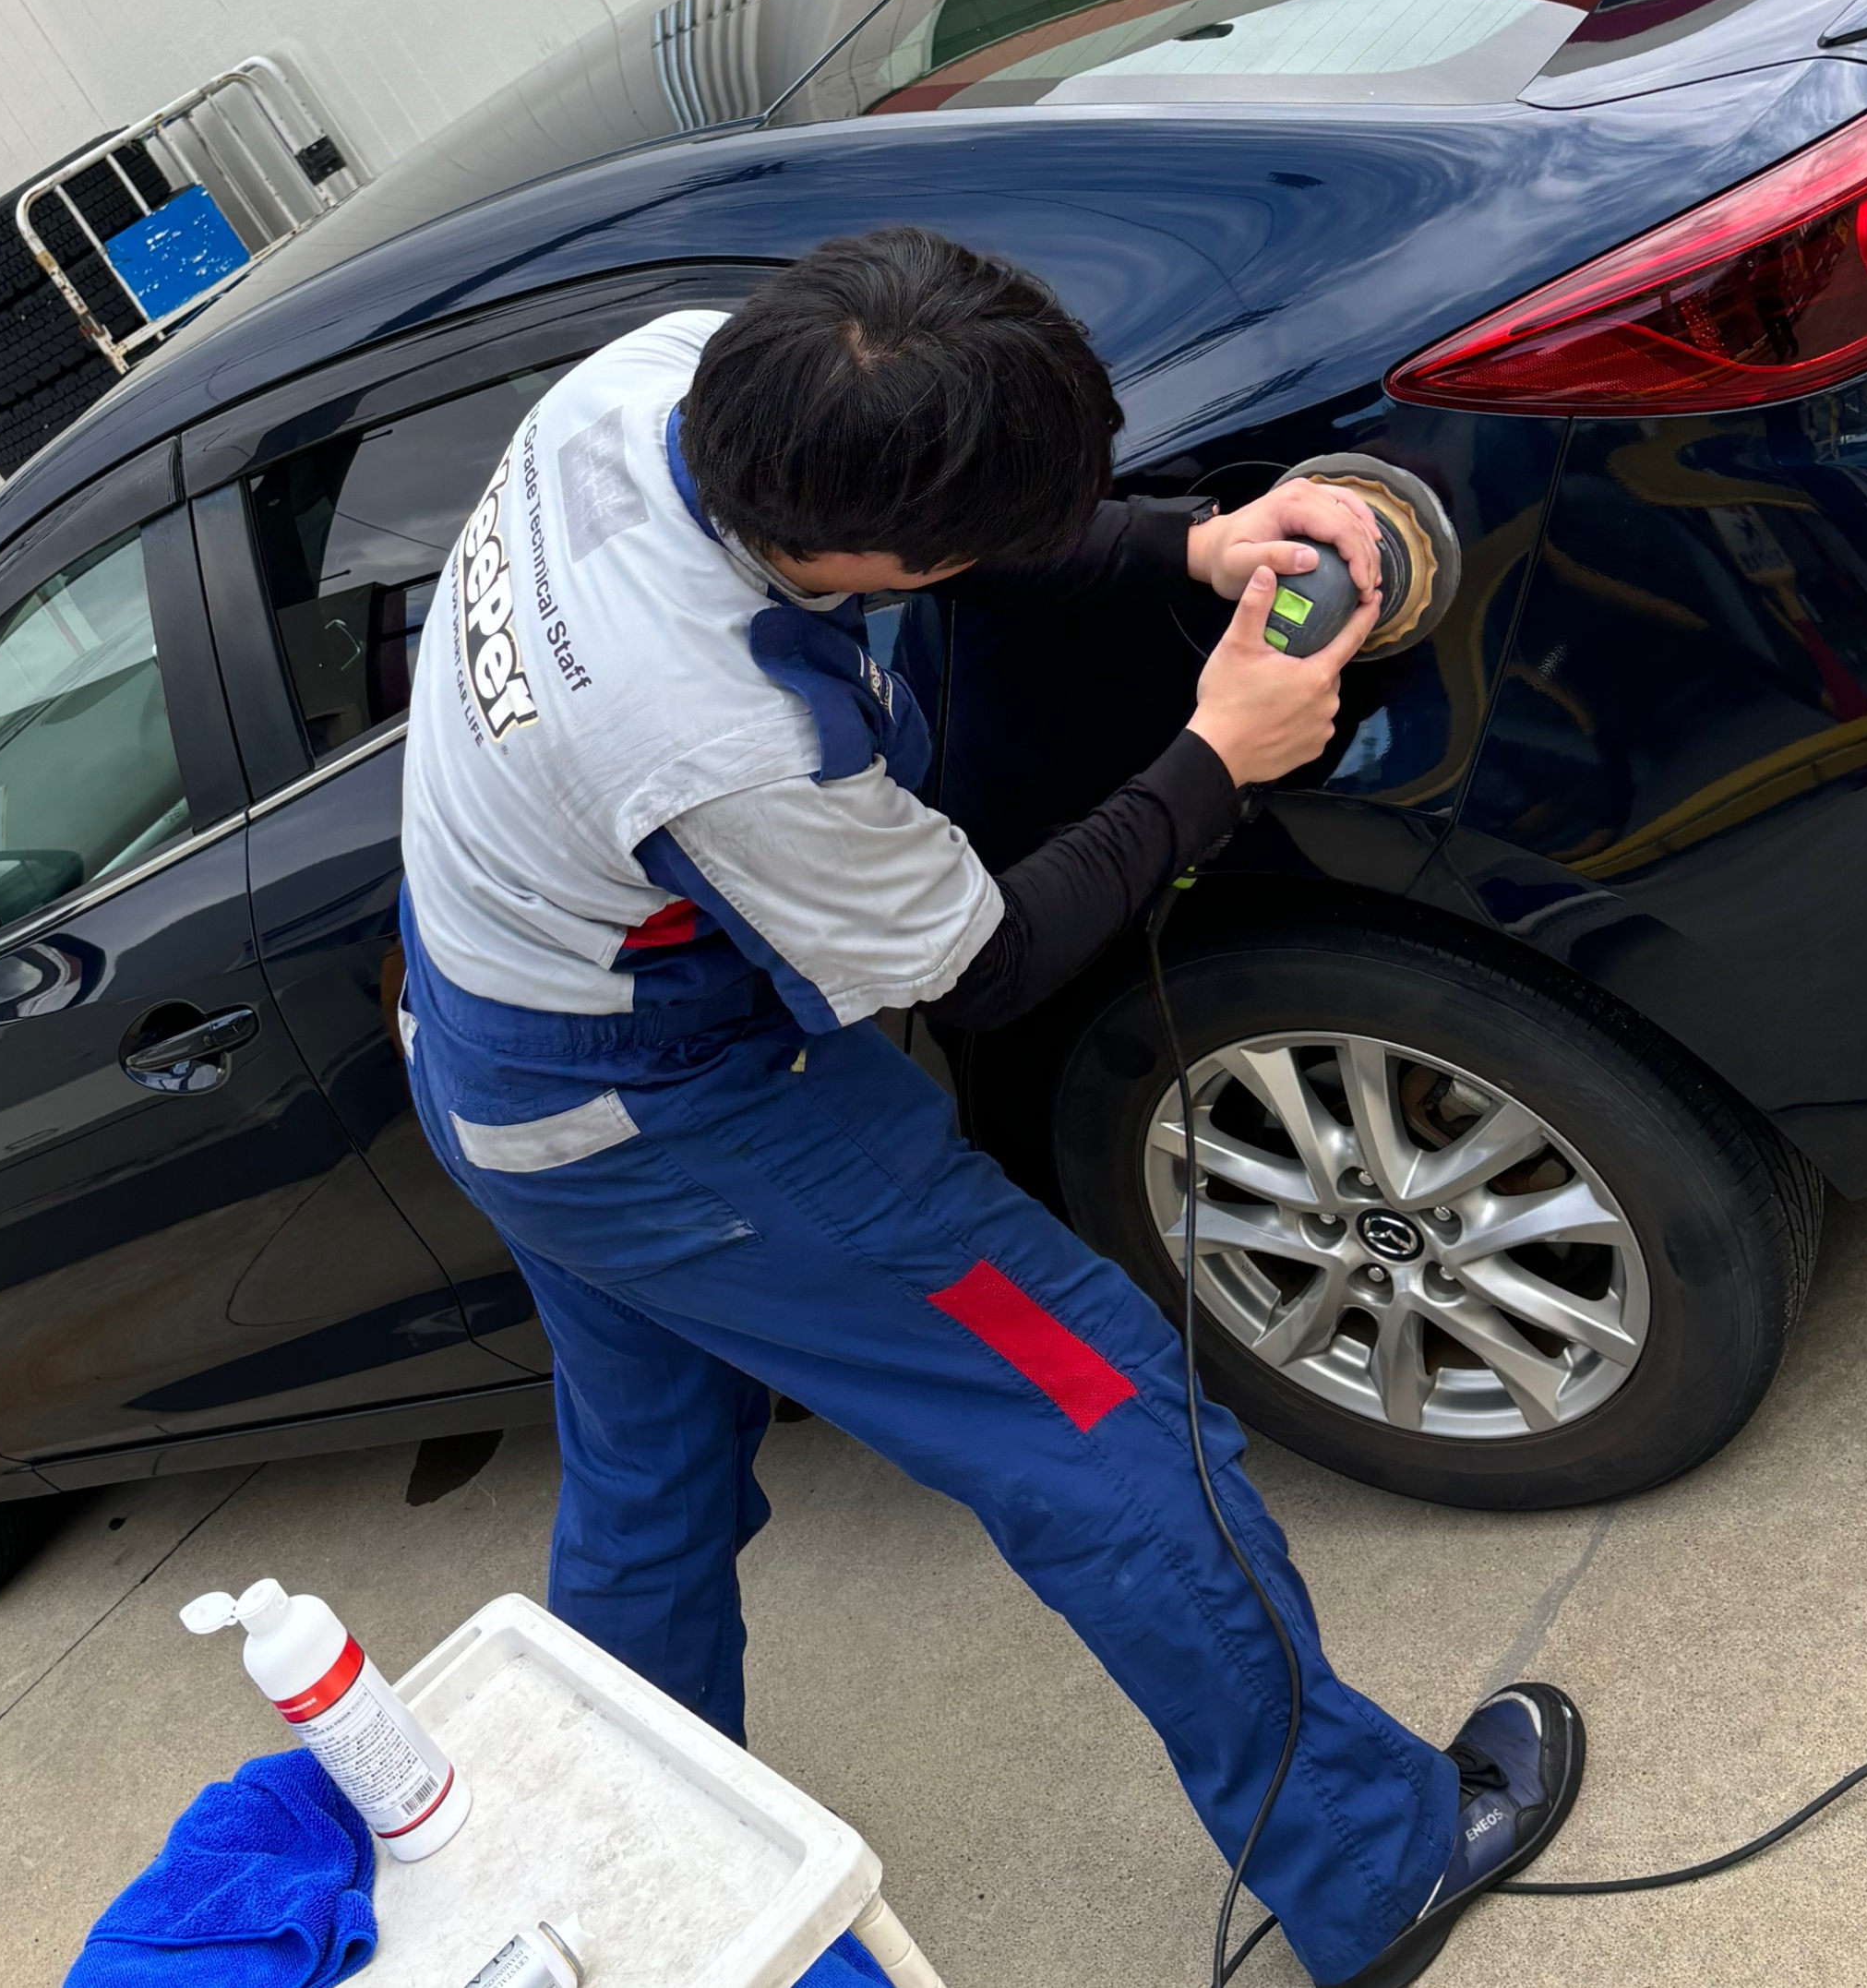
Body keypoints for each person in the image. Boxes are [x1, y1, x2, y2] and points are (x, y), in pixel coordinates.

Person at [396, 228, 1581, 1986]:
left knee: (648, 1490)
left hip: (489, 1059)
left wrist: (1191, 541)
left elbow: (938, 531)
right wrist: (1218, 757)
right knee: (1104, 1421)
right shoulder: (726, 735)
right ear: (875, 556)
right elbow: (984, 965)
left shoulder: (655, 381)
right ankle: (1372, 1857)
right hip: (676, 1125)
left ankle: (616, 1905)